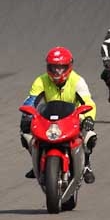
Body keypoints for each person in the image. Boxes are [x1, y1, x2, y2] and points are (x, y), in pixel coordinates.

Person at [19, 46, 97, 184]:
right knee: (26, 134)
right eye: (53, 68)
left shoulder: (77, 81)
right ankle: (36, 161)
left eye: (60, 68)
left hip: (73, 117)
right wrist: (27, 115)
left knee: (89, 135)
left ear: (68, 67)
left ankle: (86, 165)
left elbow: (88, 101)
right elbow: (31, 99)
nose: (56, 72)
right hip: (49, 118)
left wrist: (88, 118)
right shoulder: (41, 81)